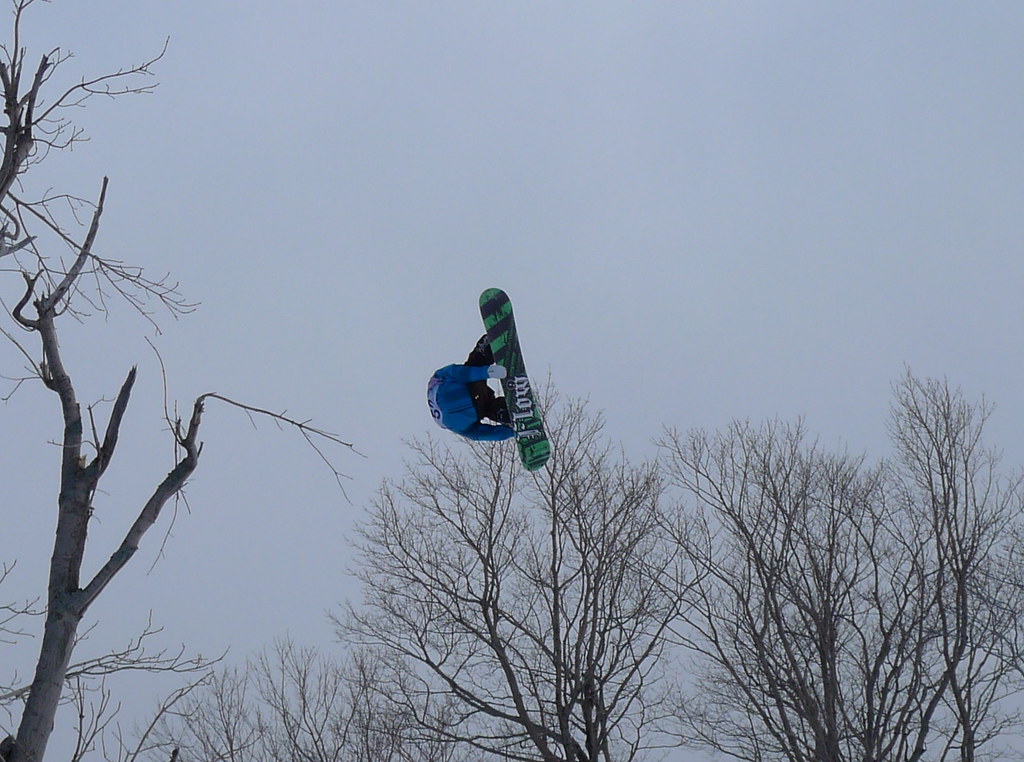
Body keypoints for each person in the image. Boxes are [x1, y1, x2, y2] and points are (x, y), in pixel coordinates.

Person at [428, 335, 516, 441]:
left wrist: (511, 432)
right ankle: (485, 350)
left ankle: (502, 412)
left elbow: (480, 434)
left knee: (488, 407)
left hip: (465, 415)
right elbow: (461, 373)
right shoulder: (439, 378)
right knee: (474, 366)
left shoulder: (456, 427)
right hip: (456, 393)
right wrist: (486, 372)